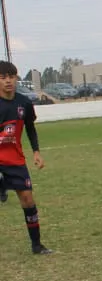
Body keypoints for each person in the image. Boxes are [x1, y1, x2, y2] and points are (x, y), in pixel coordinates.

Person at [0, 61, 52, 254]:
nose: (8, 81)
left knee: (28, 200)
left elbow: (30, 128)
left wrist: (36, 152)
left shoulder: (24, 103)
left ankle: (37, 245)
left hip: (14, 158)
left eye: (11, 77)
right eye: (3, 78)